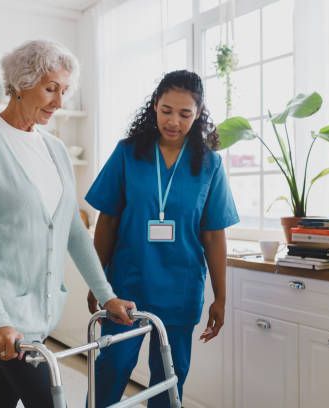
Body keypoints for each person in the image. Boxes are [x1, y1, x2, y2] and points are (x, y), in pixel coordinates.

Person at [0, 40, 135, 408]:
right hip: (5, 314)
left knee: (0, 397)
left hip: (43, 311)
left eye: (64, 90)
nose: (59, 101)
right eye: (51, 88)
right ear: (21, 83)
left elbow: (73, 232)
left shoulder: (55, 150)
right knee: (49, 399)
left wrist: (107, 294)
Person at [85, 70, 239, 407]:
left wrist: (221, 297)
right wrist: (98, 283)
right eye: (166, 110)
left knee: (170, 377)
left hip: (180, 289)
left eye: (185, 114)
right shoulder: (128, 153)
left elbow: (214, 235)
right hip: (127, 285)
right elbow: (107, 221)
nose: (174, 121)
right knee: (112, 367)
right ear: (154, 106)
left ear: (198, 115)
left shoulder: (209, 164)